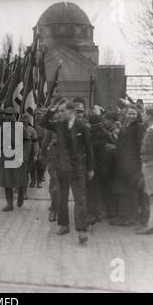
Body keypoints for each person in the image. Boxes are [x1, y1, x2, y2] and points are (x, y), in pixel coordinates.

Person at [40, 99, 95, 244]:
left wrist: (90, 168)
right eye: (59, 111)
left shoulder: (83, 127)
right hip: (61, 168)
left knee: (80, 200)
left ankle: (82, 230)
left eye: (62, 111)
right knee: (61, 198)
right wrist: (51, 110)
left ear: (71, 112)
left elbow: (89, 149)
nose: (59, 113)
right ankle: (64, 225)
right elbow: (42, 123)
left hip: (78, 169)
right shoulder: (58, 125)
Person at [110, 106, 143, 227]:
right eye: (129, 113)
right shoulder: (124, 126)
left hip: (132, 164)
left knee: (131, 191)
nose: (132, 116)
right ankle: (123, 216)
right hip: (122, 163)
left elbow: (139, 146)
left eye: (134, 114)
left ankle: (131, 218)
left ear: (137, 115)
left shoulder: (138, 128)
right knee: (122, 190)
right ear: (125, 115)